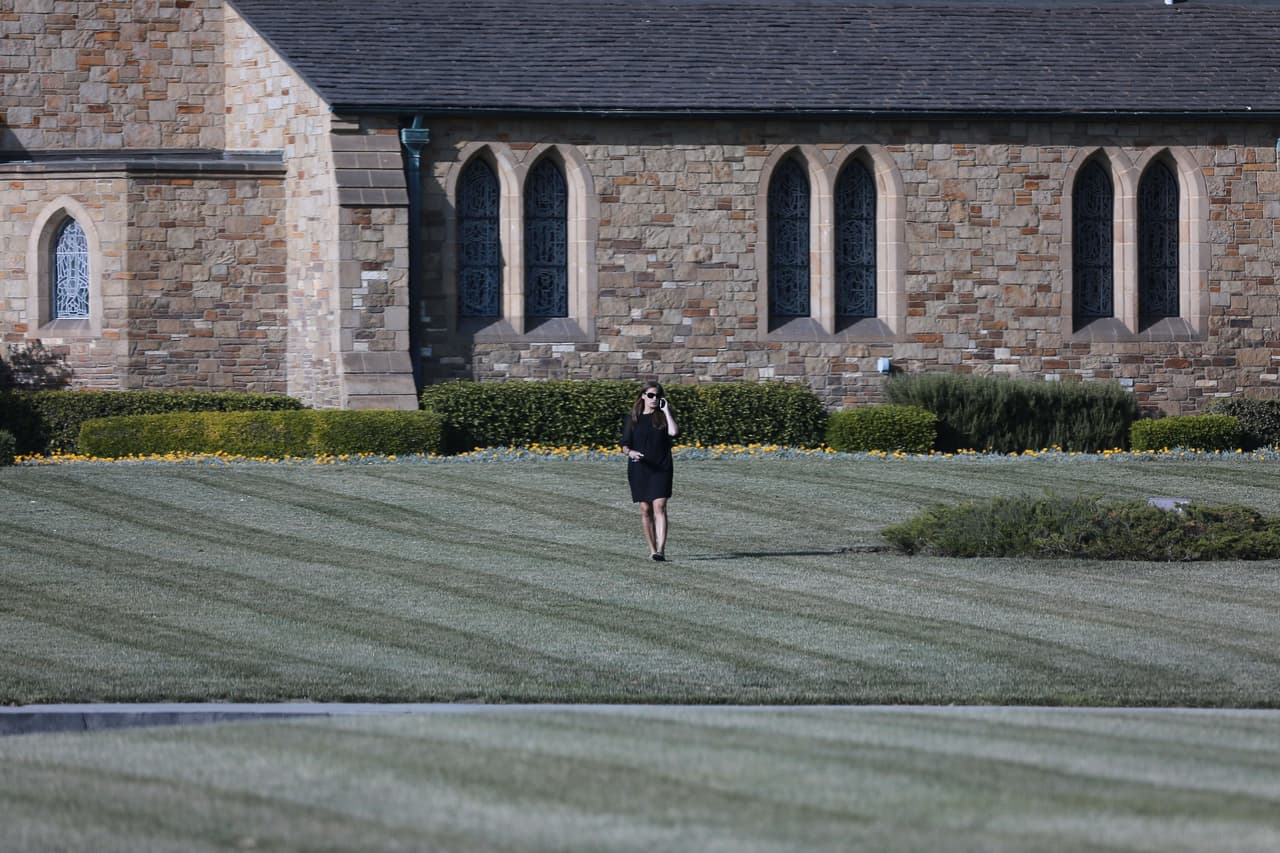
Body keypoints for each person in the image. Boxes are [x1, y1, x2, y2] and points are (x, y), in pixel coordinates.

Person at [620, 381, 679, 561]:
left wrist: (667, 410)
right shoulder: (633, 418)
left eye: (657, 396)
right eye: (651, 395)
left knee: (659, 506)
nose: (654, 399)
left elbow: (674, 433)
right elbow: (624, 445)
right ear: (643, 396)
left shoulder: (663, 417)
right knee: (645, 509)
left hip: (661, 467)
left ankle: (661, 550)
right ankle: (652, 549)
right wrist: (631, 452)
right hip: (640, 468)